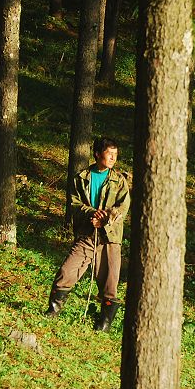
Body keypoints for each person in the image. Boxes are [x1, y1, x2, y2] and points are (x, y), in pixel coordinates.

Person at [45, 137, 131, 332]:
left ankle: (104, 325)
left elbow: (123, 207)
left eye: (115, 155)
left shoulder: (119, 180)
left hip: (110, 238)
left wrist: (106, 218)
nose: (113, 158)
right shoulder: (81, 177)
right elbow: (74, 203)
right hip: (86, 235)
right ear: (97, 154)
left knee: (110, 282)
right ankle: (53, 310)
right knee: (67, 271)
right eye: (109, 154)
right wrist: (92, 214)